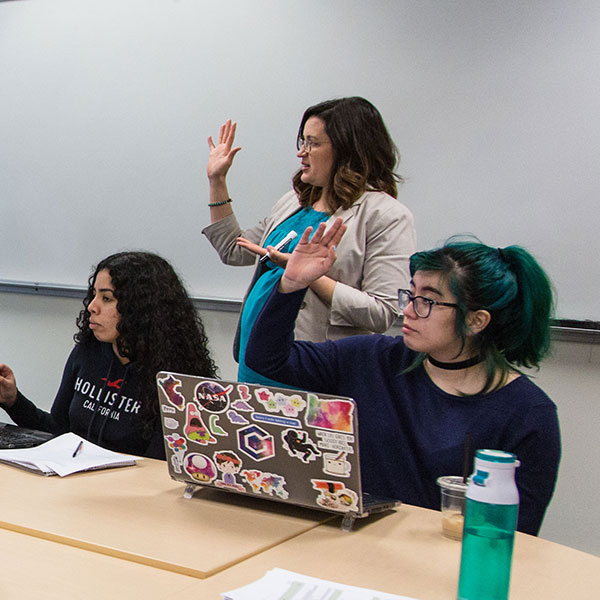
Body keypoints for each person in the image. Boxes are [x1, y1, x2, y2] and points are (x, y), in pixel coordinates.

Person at [244, 220, 561, 535]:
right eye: (409, 295)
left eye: (427, 301)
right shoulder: (371, 358)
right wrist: (293, 284)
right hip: (348, 548)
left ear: (476, 320)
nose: (408, 310)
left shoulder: (528, 414)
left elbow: (515, 535)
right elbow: (267, 359)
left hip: (442, 569)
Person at [202, 97, 416, 385]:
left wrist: (307, 276)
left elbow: (381, 313)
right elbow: (232, 250)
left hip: (309, 372)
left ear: (347, 150)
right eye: (301, 142)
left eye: (313, 143)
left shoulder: (385, 215)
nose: (302, 153)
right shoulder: (293, 202)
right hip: (256, 363)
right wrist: (217, 181)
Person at [0, 251, 218, 459]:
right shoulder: (87, 352)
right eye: (94, 295)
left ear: (141, 308)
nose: (92, 307)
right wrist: (13, 401)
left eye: (107, 299)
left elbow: (159, 468)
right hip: (72, 482)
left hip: (128, 492)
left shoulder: (175, 377)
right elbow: (59, 430)